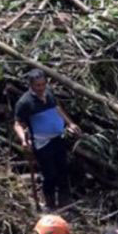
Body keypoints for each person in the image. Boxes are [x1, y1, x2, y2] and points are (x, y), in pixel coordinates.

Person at [13, 69, 82, 211]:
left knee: (63, 169)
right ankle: (49, 203)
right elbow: (17, 124)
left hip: (58, 138)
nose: (41, 88)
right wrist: (23, 140)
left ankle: (65, 201)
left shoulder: (49, 93)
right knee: (50, 173)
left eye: (43, 84)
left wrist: (70, 123)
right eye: (37, 85)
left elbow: (57, 108)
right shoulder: (25, 102)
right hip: (42, 143)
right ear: (30, 85)